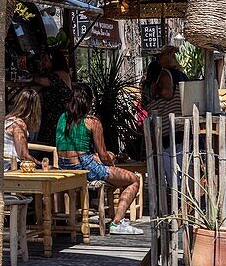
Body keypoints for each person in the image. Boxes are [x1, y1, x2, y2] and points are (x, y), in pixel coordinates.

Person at [56, 84, 142, 235]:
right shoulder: (92, 121)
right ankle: (117, 223)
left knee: (117, 175)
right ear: (89, 102)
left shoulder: (62, 118)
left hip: (64, 165)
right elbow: (103, 155)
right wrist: (112, 166)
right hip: (85, 167)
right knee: (133, 179)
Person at [145, 45, 185, 185]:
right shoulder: (181, 74)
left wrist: (156, 90)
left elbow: (167, 94)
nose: (158, 59)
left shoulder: (166, 73)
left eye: (160, 56)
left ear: (167, 57)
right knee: (183, 162)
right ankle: (183, 193)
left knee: (171, 163)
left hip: (170, 125)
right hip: (182, 123)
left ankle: (177, 194)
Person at [34, 49, 73, 147]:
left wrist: (33, 76)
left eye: (46, 60)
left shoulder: (60, 74)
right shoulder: (53, 74)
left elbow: (42, 81)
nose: (43, 62)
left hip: (58, 114)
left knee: (53, 142)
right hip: (51, 114)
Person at [0, 87, 42, 169]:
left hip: (1, 164)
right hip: (10, 166)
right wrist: (39, 163)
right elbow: (23, 155)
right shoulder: (18, 125)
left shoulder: (7, 120)